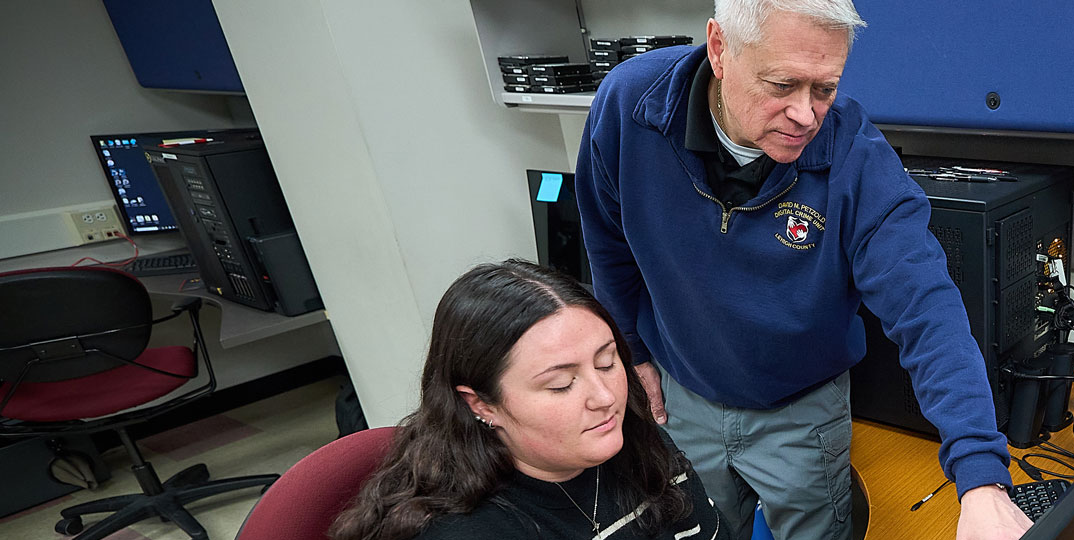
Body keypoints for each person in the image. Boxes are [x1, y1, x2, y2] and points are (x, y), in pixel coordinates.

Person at [575, 0, 1031, 539]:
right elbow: (607, 236)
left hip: (801, 407)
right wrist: (634, 349)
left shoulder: (854, 158)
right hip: (683, 394)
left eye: (824, 88)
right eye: (782, 84)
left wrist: (980, 479)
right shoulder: (632, 106)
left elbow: (928, 307)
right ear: (720, 49)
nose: (805, 115)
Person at [330, 260, 726, 540]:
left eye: (607, 363)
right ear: (481, 404)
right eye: (560, 385)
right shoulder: (468, 531)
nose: (606, 399)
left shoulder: (639, 443)